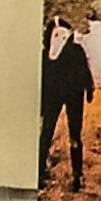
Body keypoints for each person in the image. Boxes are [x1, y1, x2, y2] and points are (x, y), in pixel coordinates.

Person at [40, 19, 95, 190]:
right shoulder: (51, 53)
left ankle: (72, 176)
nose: (60, 37)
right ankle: (45, 173)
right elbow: (41, 76)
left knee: (62, 134)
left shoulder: (62, 51)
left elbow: (85, 71)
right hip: (63, 96)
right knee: (57, 134)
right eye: (57, 34)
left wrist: (89, 90)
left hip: (65, 96)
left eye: (62, 34)